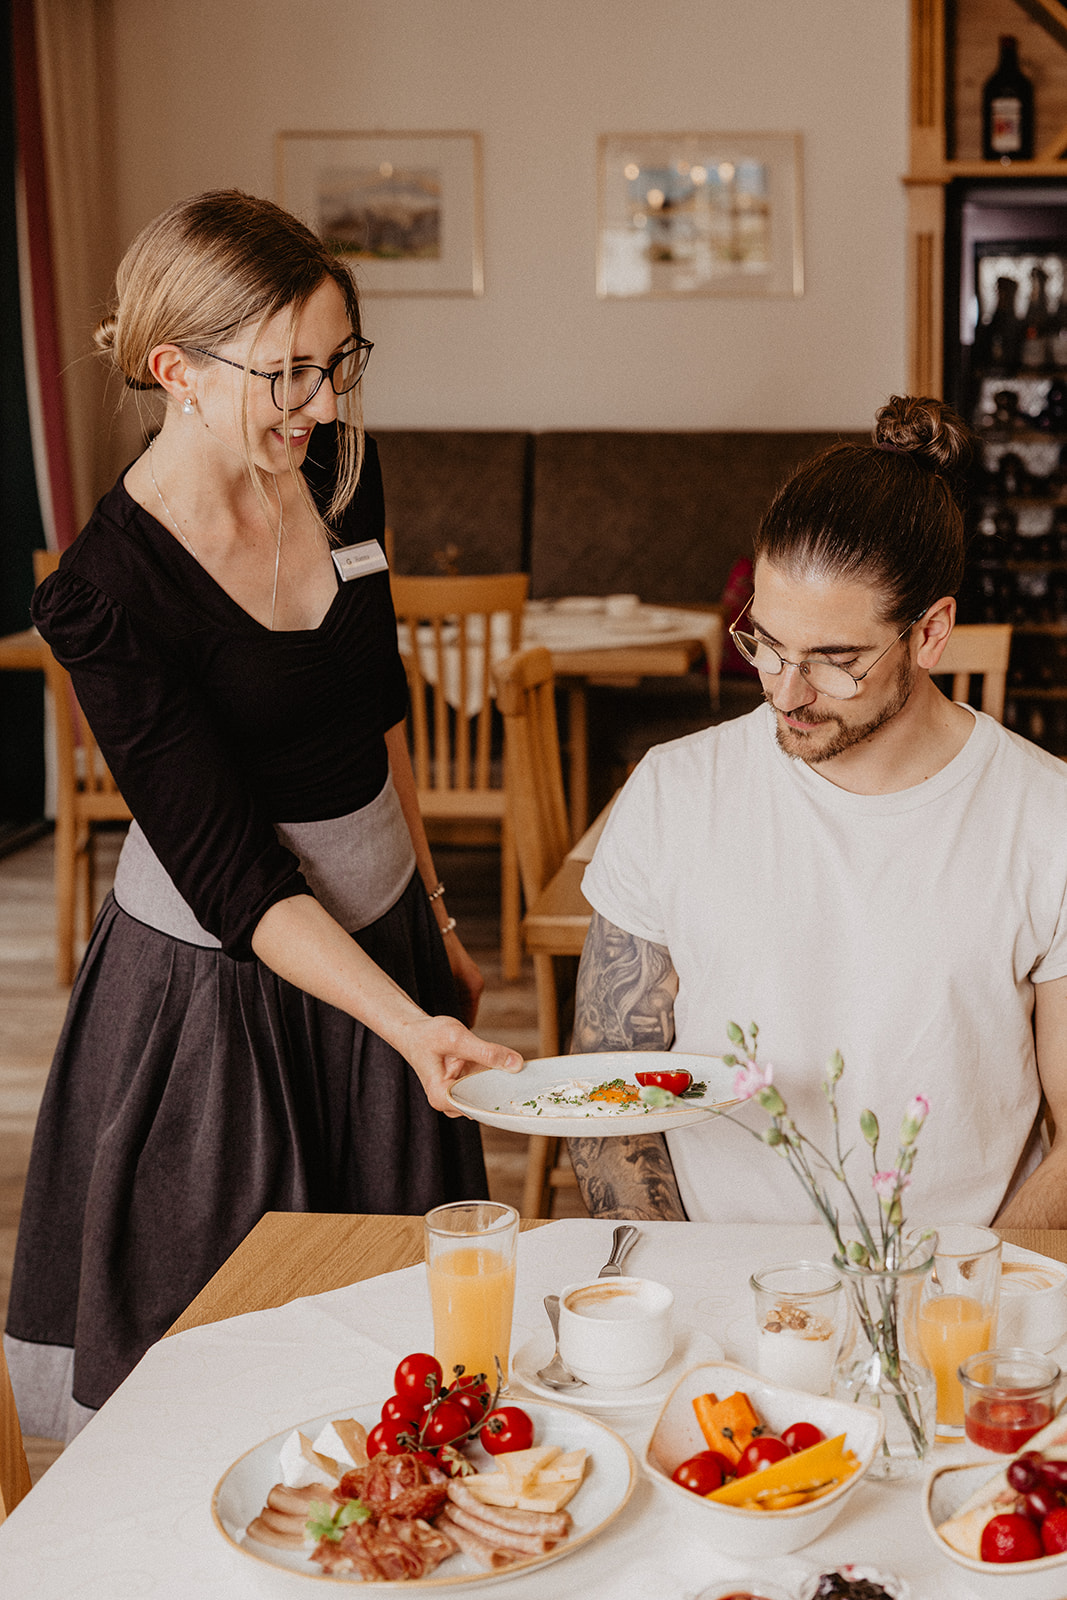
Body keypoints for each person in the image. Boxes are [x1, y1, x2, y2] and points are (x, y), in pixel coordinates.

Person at [4, 190, 520, 1439]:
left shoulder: (341, 470)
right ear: (175, 369)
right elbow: (235, 875)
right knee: (230, 1370)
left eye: (338, 363)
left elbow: (376, 708)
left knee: (399, 1347)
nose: (327, 404)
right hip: (218, 996)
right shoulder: (107, 593)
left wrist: (435, 917)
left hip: (387, 943)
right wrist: (406, 1024)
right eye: (289, 373)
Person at [567, 395, 1067, 1229]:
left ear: (931, 632)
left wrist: (953, 1298)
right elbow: (607, 1095)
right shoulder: (672, 791)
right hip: (714, 1289)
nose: (786, 693)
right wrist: (677, 1283)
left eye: (835, 660)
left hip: (954, 1299)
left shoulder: (1044, 816)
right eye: (765, 643)